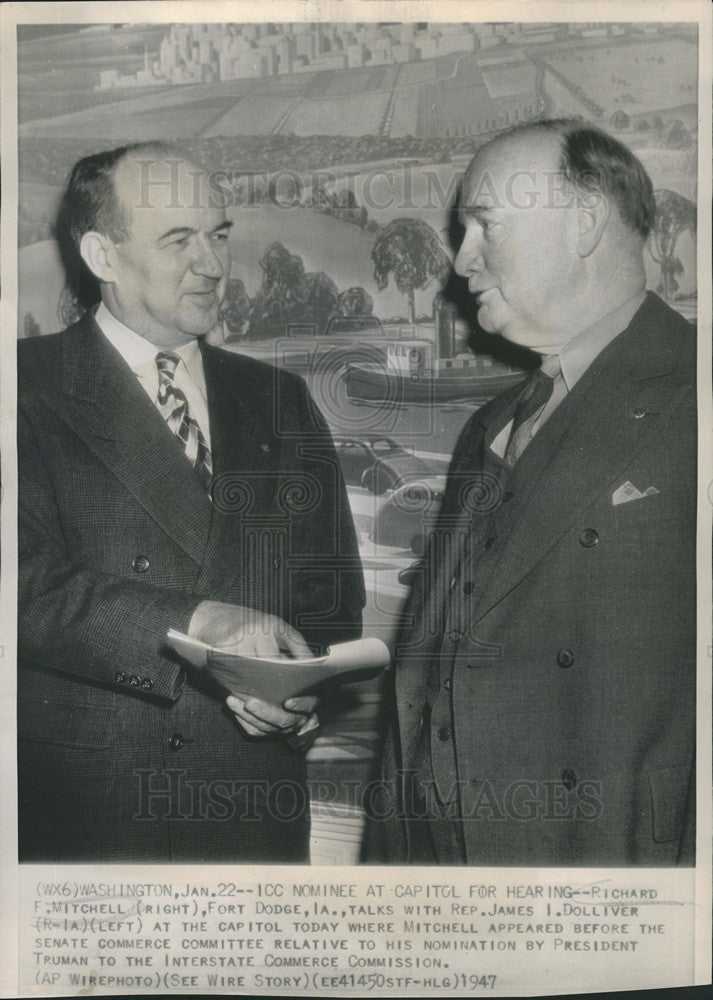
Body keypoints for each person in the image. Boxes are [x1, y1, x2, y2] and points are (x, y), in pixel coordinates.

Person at [17, 142, 365, 863]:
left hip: (256, 818)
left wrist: (300, 698)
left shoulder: (279, 400)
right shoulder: (23, 387)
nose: (212, 264)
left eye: (218, 233)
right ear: (101, 256)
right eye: (179, 239)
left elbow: (330, 596)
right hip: (89, 822)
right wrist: (197, 622)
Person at [365, 118, 696, 866]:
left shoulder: (695, 394)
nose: (460, 260)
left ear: (582, 223)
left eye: (484, 226)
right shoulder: (491, 423)